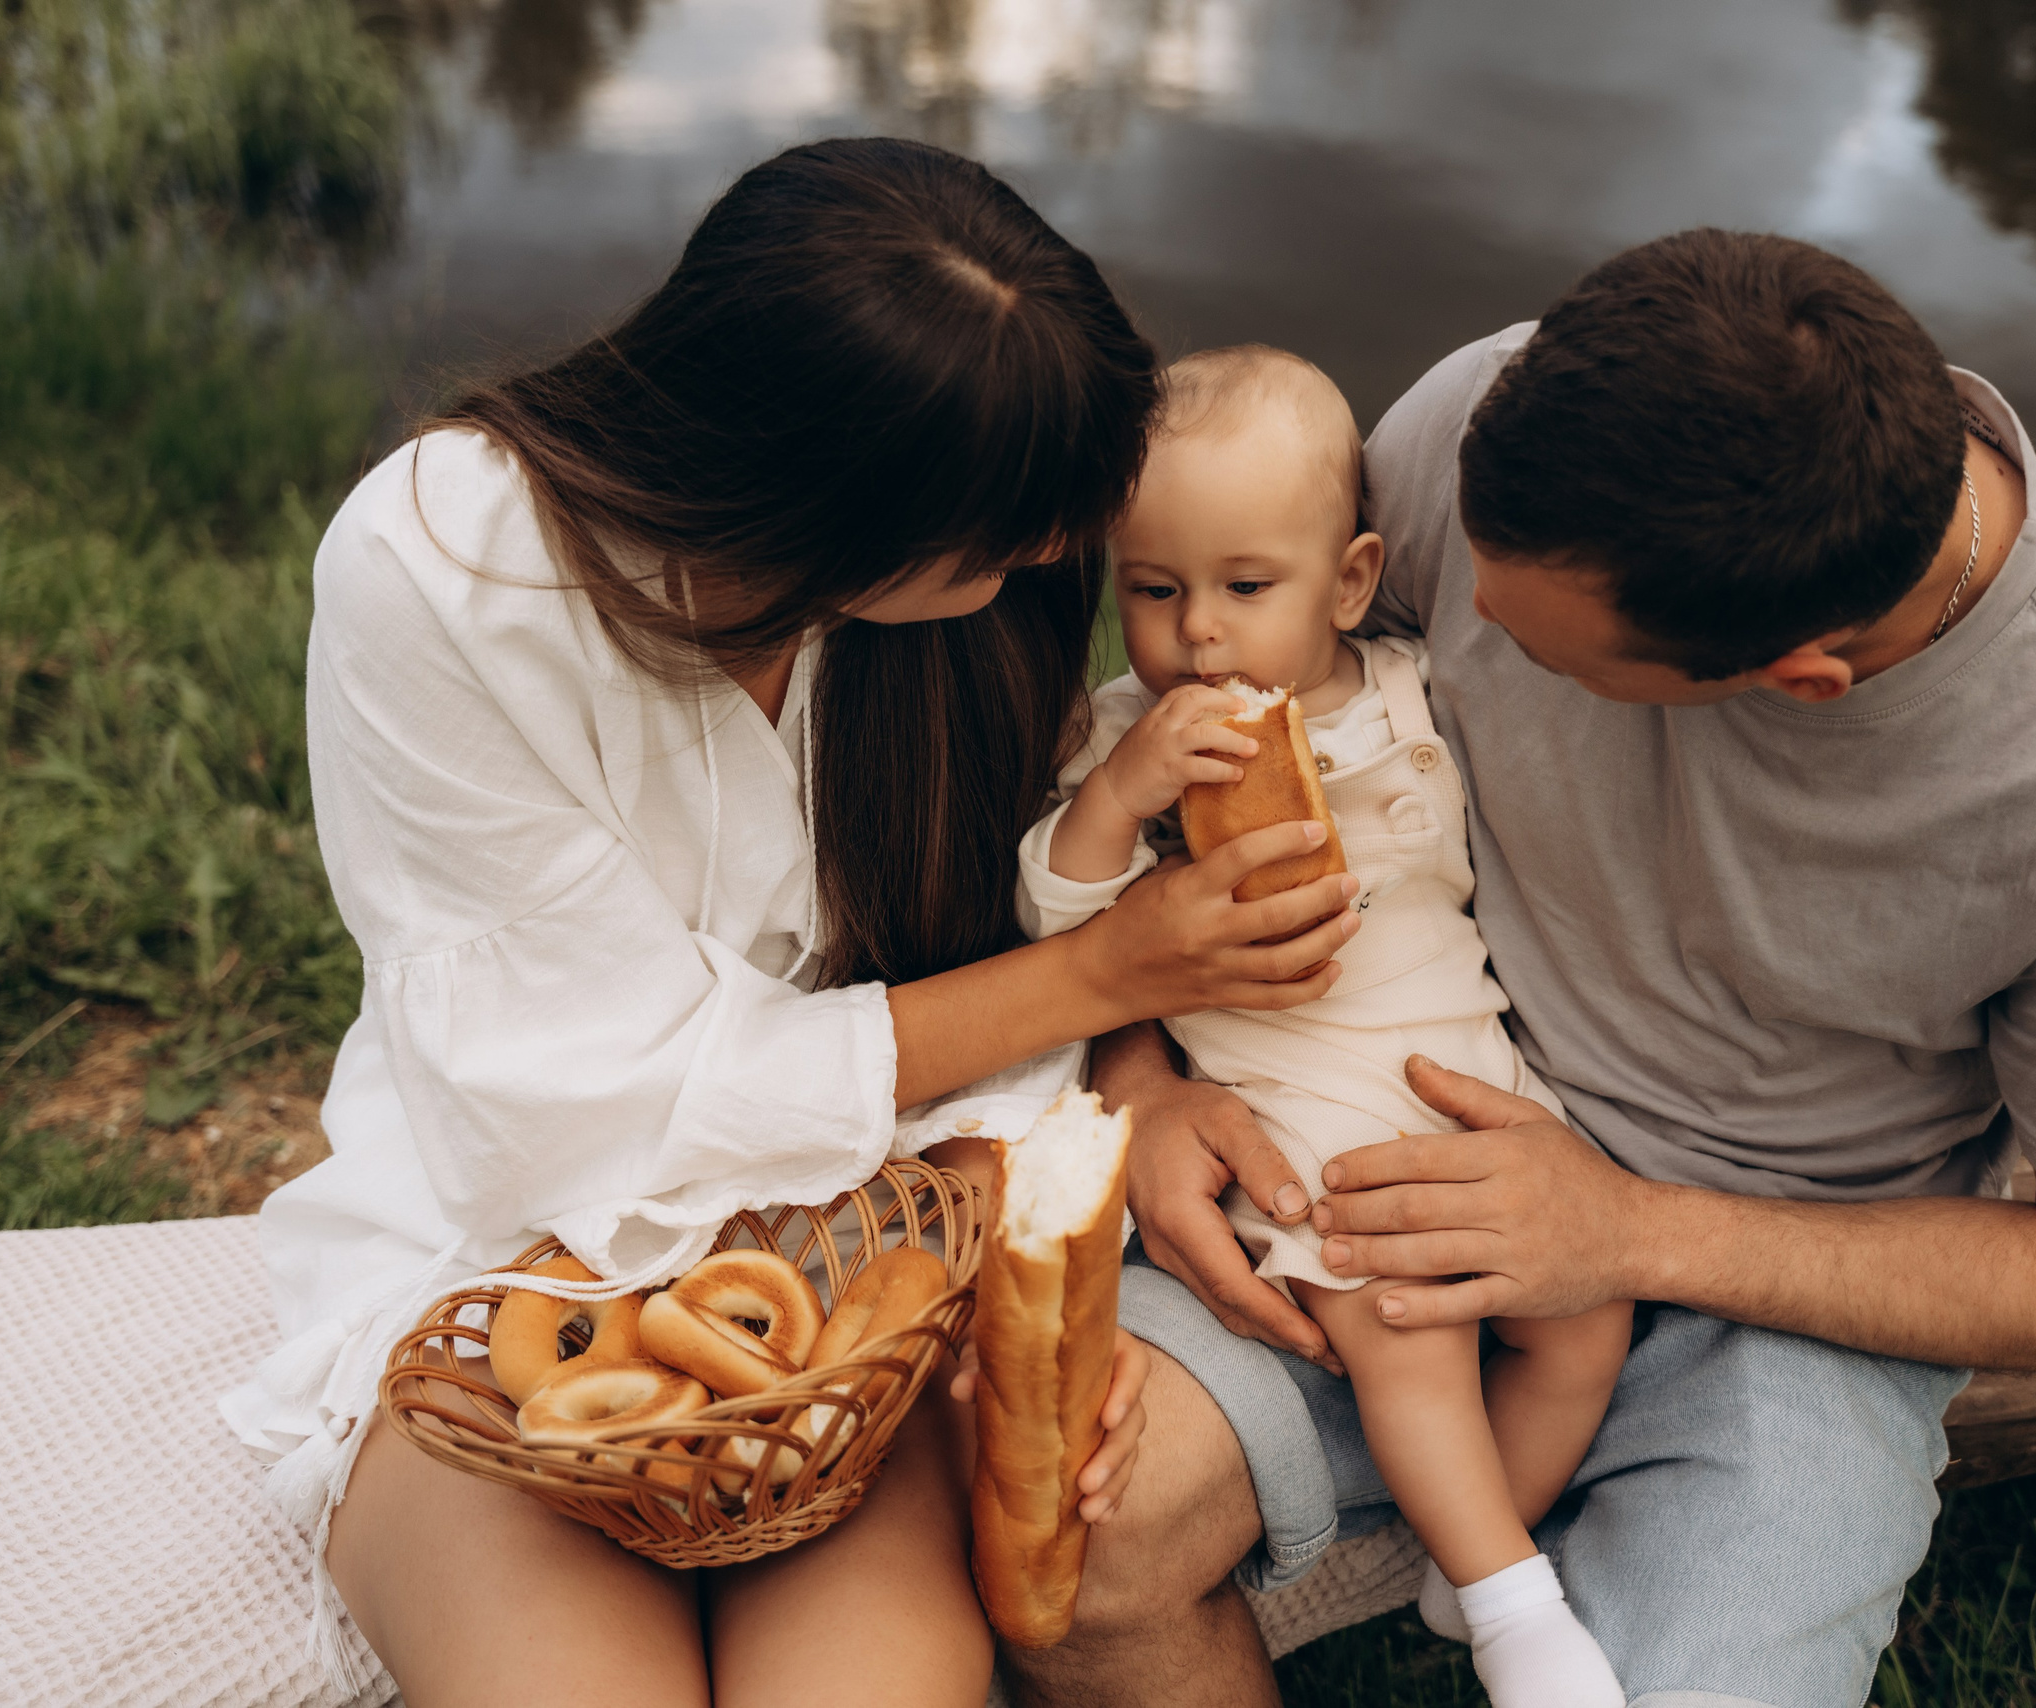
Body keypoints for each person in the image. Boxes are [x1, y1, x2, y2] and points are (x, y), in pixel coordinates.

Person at [1003, 230, 2036, 1708]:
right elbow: (1201, 807)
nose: (1464, 615)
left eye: (1542, 652)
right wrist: (1140, 1078)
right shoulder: (1495, 436)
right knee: (1076, 1555)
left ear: (1797, 681)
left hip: (1791, 1290)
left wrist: (1623, 1235)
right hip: (1349, 1157)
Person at [218, 138, 1362, 1708]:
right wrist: (1099, 969)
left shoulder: (970, 578)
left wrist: (1033, 1227)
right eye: (1011, 538)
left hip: (859, 1263)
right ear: (822, 511)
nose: (1053, 563)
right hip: (500, 1270)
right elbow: (565, 1098)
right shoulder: (450, 569)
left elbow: (987, 941)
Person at [1016, 346, 1633, 1708]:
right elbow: (1058, 910)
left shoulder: (1416, 690)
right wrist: (1121, 796)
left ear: (1350, 581)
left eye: (1247, 588)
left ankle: (1448, 1560)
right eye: (1155, 592)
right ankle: (1514, 1606)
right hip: (1303, 1123)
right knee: (1404, 1328)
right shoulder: (1133, 738)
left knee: (1586, 1324)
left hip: (1471, 1080)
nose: (1201, 637)